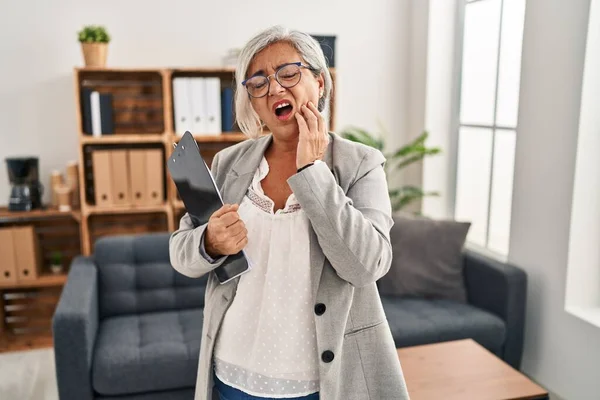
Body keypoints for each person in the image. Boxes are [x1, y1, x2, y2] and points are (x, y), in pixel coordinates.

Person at [169, 25, 410, 400]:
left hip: (323, 383)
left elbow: (366, 266)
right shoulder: (227, 163)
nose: (275, 89)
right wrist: (210, 242)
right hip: (232, 373)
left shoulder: (360, 164)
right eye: (259, 81)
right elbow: (182, 254)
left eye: (288, 73)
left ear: (320, 81)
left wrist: (313, 173)